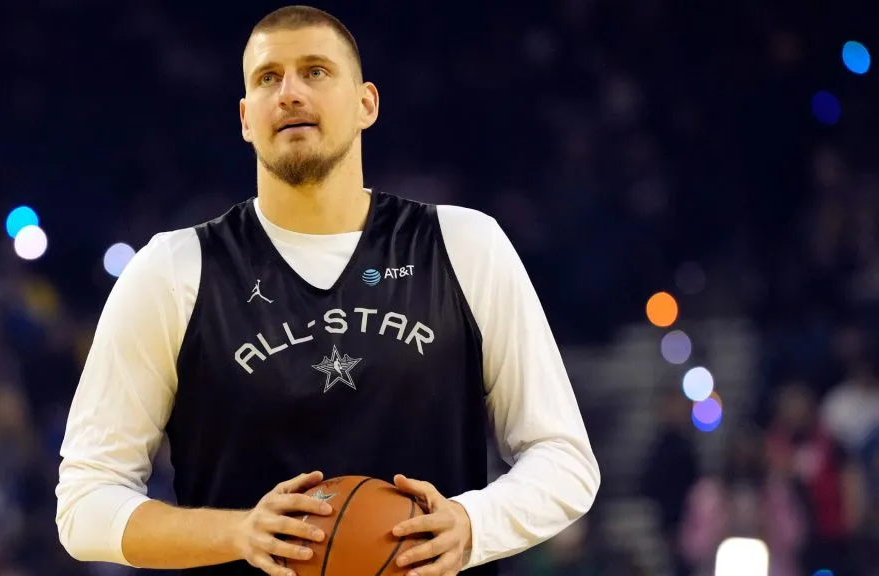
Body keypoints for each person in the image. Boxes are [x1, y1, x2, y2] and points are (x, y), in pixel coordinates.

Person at [54, 5, 600, 576]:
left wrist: (471, 525)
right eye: (268, 78)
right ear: (245, 117)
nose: (289, 92)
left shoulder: (464, 244)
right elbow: (85, 503)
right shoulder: (172, 270)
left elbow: (564, 459)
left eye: (315, 71)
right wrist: (239, 533)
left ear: (367, 103)